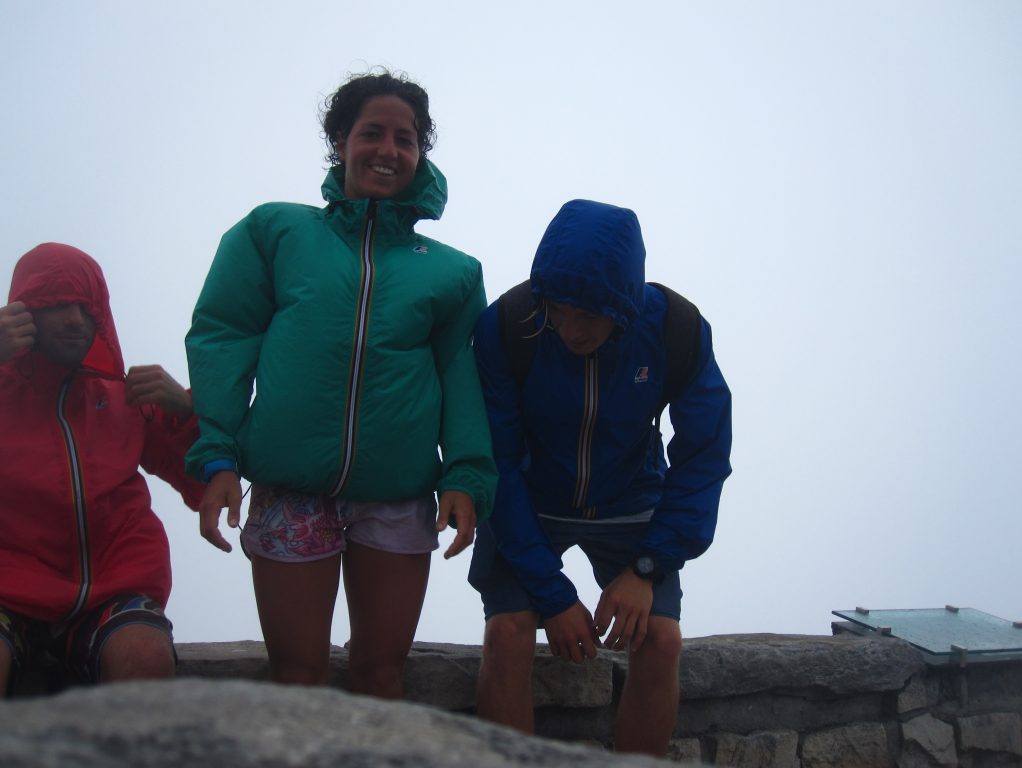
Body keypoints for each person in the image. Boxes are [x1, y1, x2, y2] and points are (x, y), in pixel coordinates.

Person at [186, 69, 496, 699]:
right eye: (372, 133)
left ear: (420, 153)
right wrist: (217, 453)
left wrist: (465, 472)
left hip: (397, 496)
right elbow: (223, 337)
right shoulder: (275, 232)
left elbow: (460, 374)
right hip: (290, 488)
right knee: (297, 677)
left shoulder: (452, 273)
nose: (388, 150)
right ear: (340, 140)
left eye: (405, 139)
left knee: (381, 675)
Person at [469, 199, 732, 755]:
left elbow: (703, 457)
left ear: (624, 304)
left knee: (660, 639)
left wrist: (648, 566)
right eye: (558, 310)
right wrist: (554, 597)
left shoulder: (676, 331)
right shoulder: (508, 326)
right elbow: (498, 464)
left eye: (588, 314)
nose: (569, 329)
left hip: (631, 502)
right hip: (531, 502)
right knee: (509, 631)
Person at [0, 242, 204, 697]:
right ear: (22, 311)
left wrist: (188, 408)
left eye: (86, 306)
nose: (75, 318)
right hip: (9, 592)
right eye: (55, 305)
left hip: (114, 590)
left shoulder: (124, 398)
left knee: (145, 657)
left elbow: (203, 477)